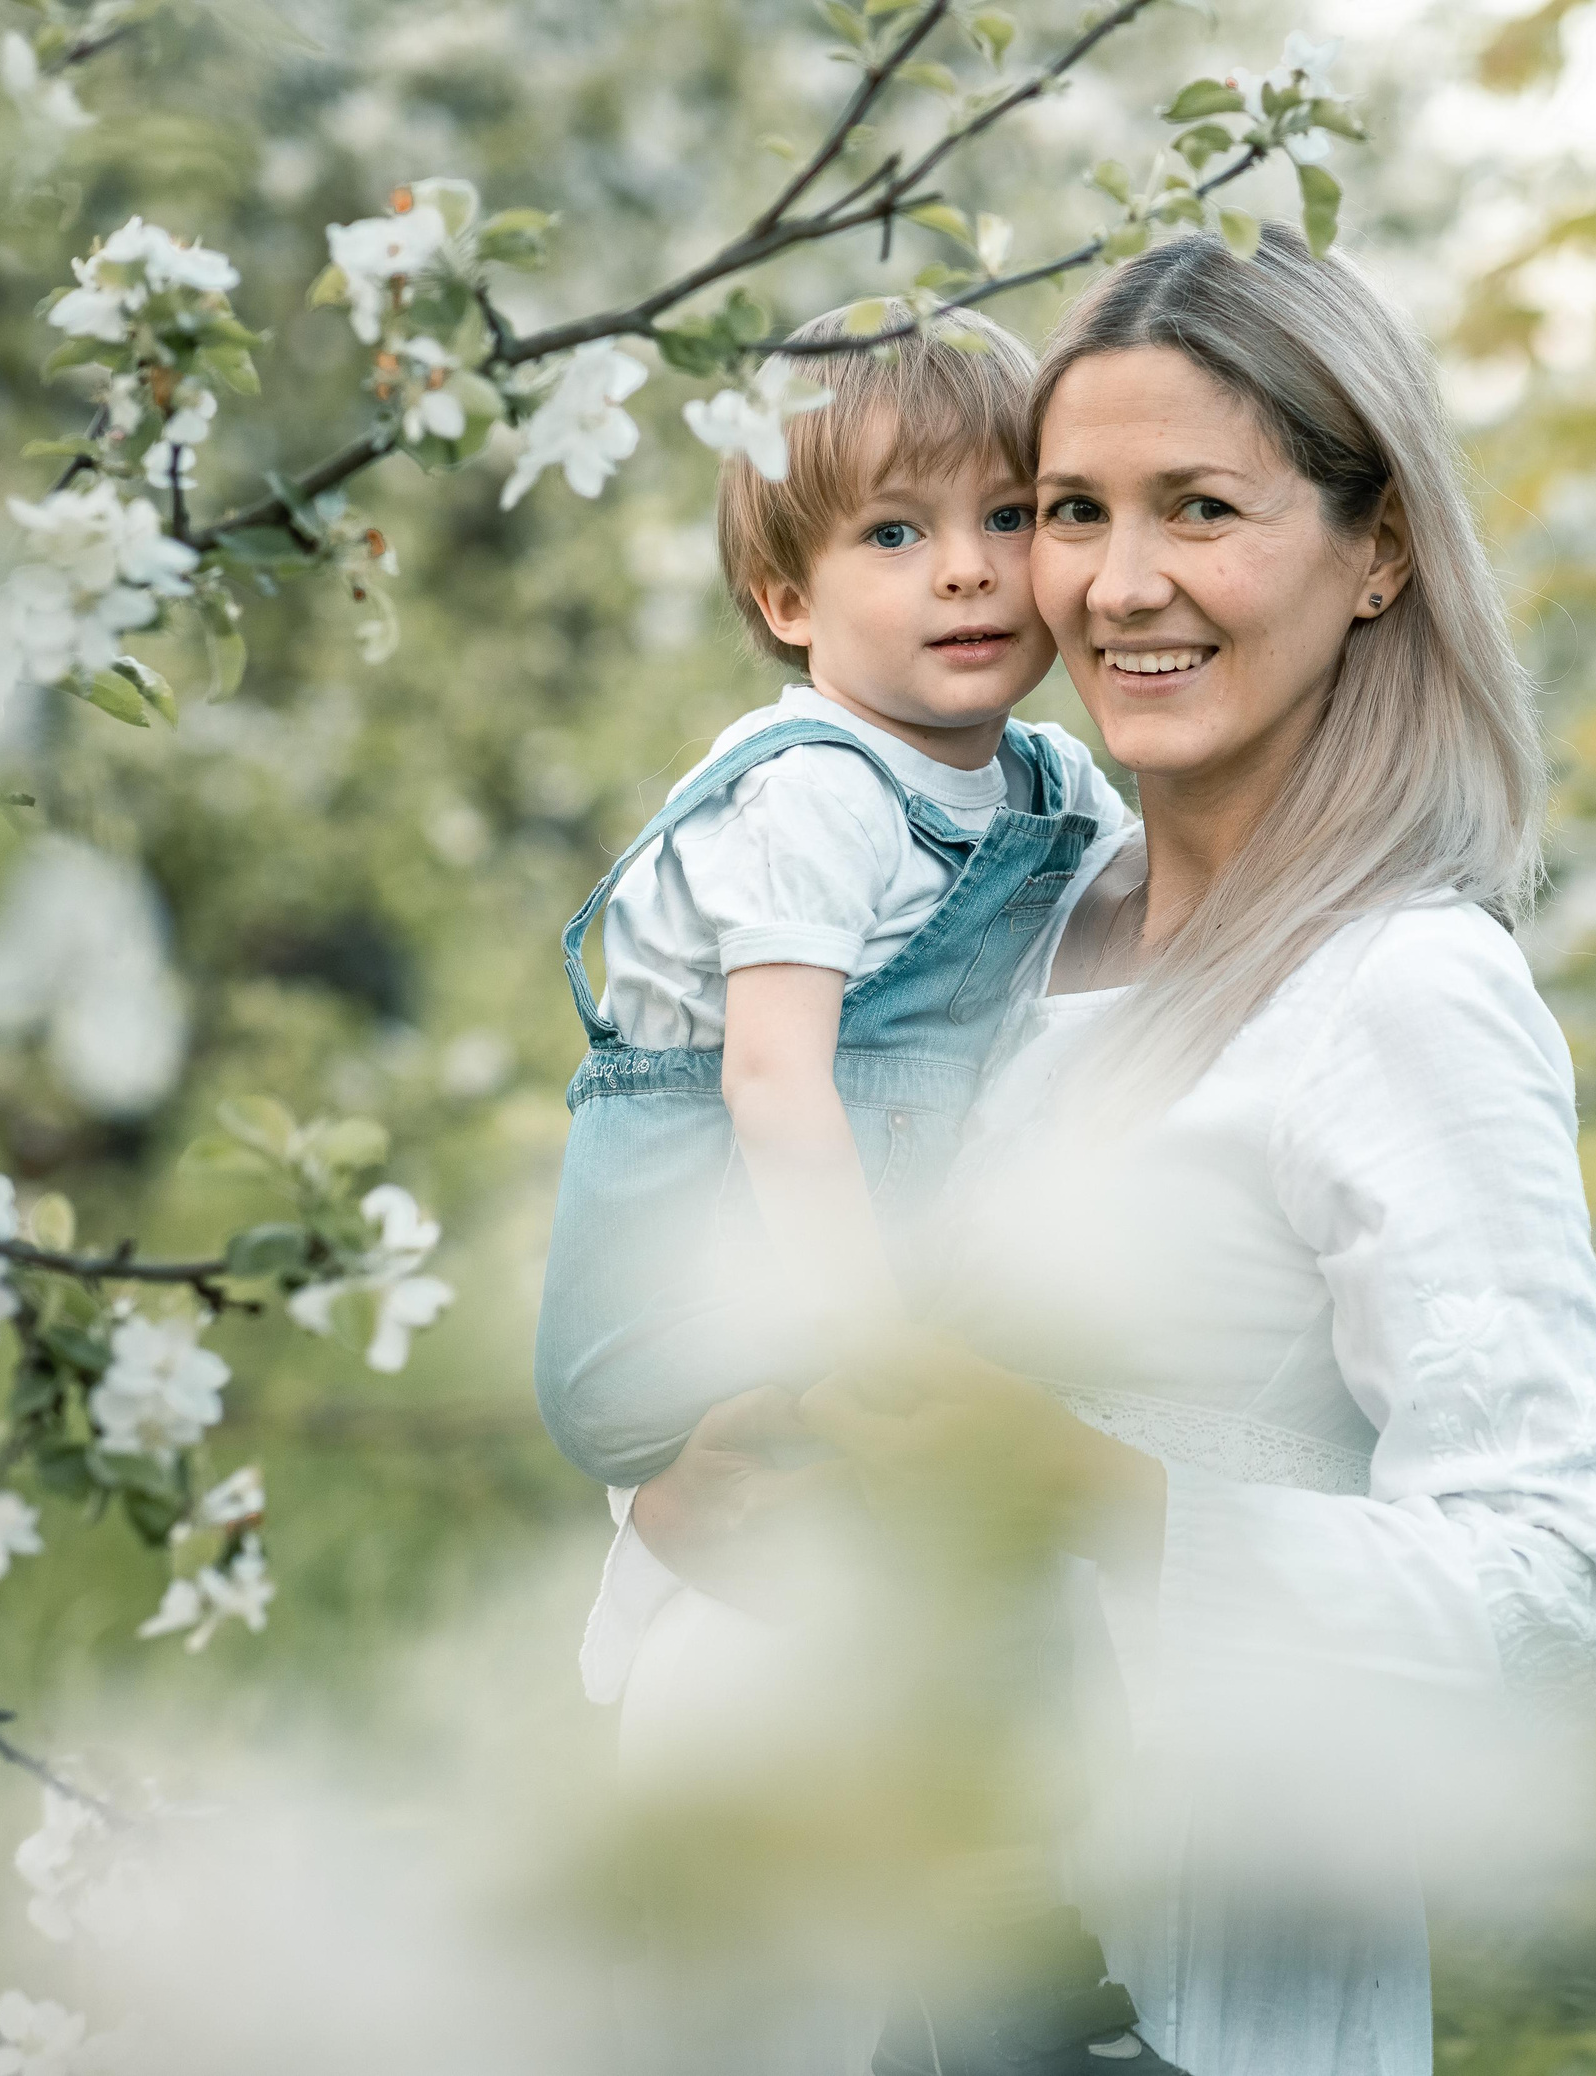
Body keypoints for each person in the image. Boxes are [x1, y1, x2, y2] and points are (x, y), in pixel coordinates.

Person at [631, 225, 1596, 2076]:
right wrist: (707, 1491)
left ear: (1379, 549)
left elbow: (1568, 1600)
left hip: (1191, 1982)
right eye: (1063, 510)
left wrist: (1105, 1495)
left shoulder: (1400, 988)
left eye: (1199, 507)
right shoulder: (1007, 930)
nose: (1113, 584)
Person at [533, 301, 1169, 2072]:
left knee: (959, 1568)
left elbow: (1164, 921)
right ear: (789, 601)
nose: (966, 575)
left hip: (825, 1215)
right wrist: (859, 1334)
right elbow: (773, 1079)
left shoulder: (1044, 781)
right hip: (695, 1245)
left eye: (1005, 519)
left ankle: (990, 1927)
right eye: (896, 533)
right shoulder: (812, 788)